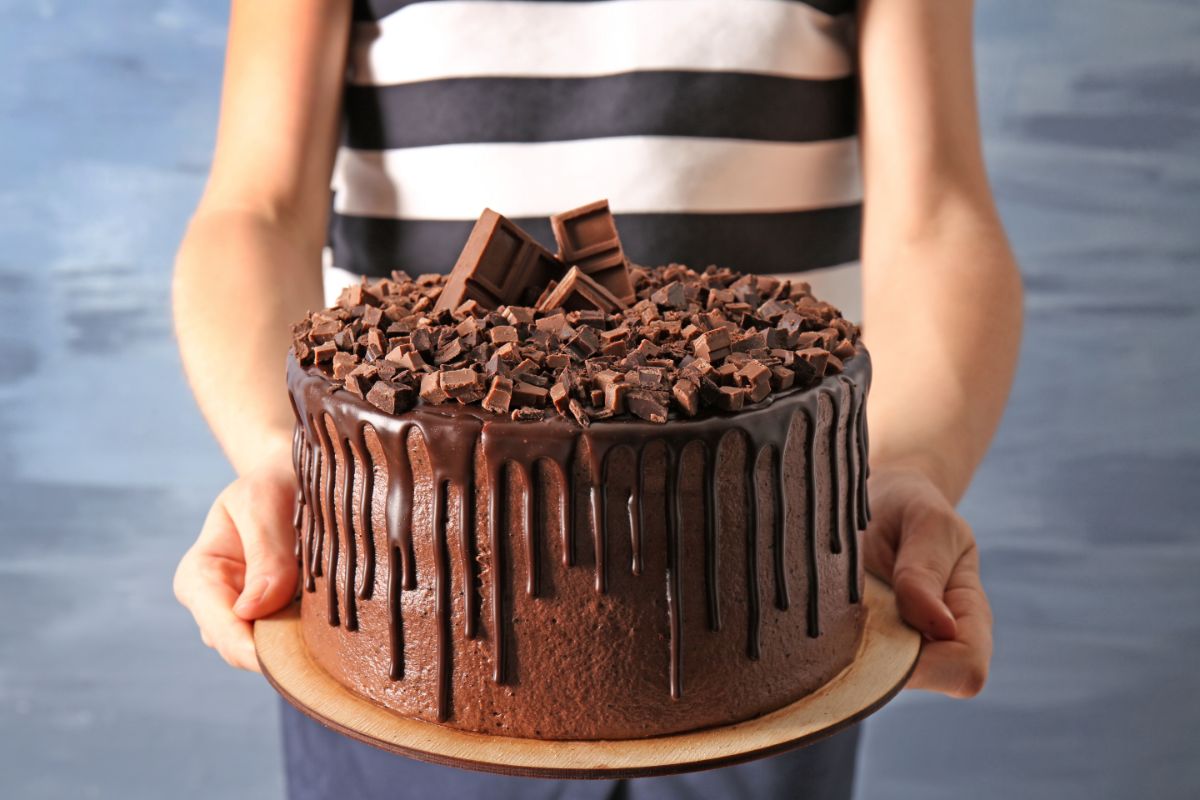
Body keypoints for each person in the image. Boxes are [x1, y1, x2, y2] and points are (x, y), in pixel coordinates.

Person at [171, 1, 1021, 797]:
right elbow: (257, 206)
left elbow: (936, 213)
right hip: (404, 604)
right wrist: (282, 461)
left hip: (760, 598)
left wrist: (906, 465)